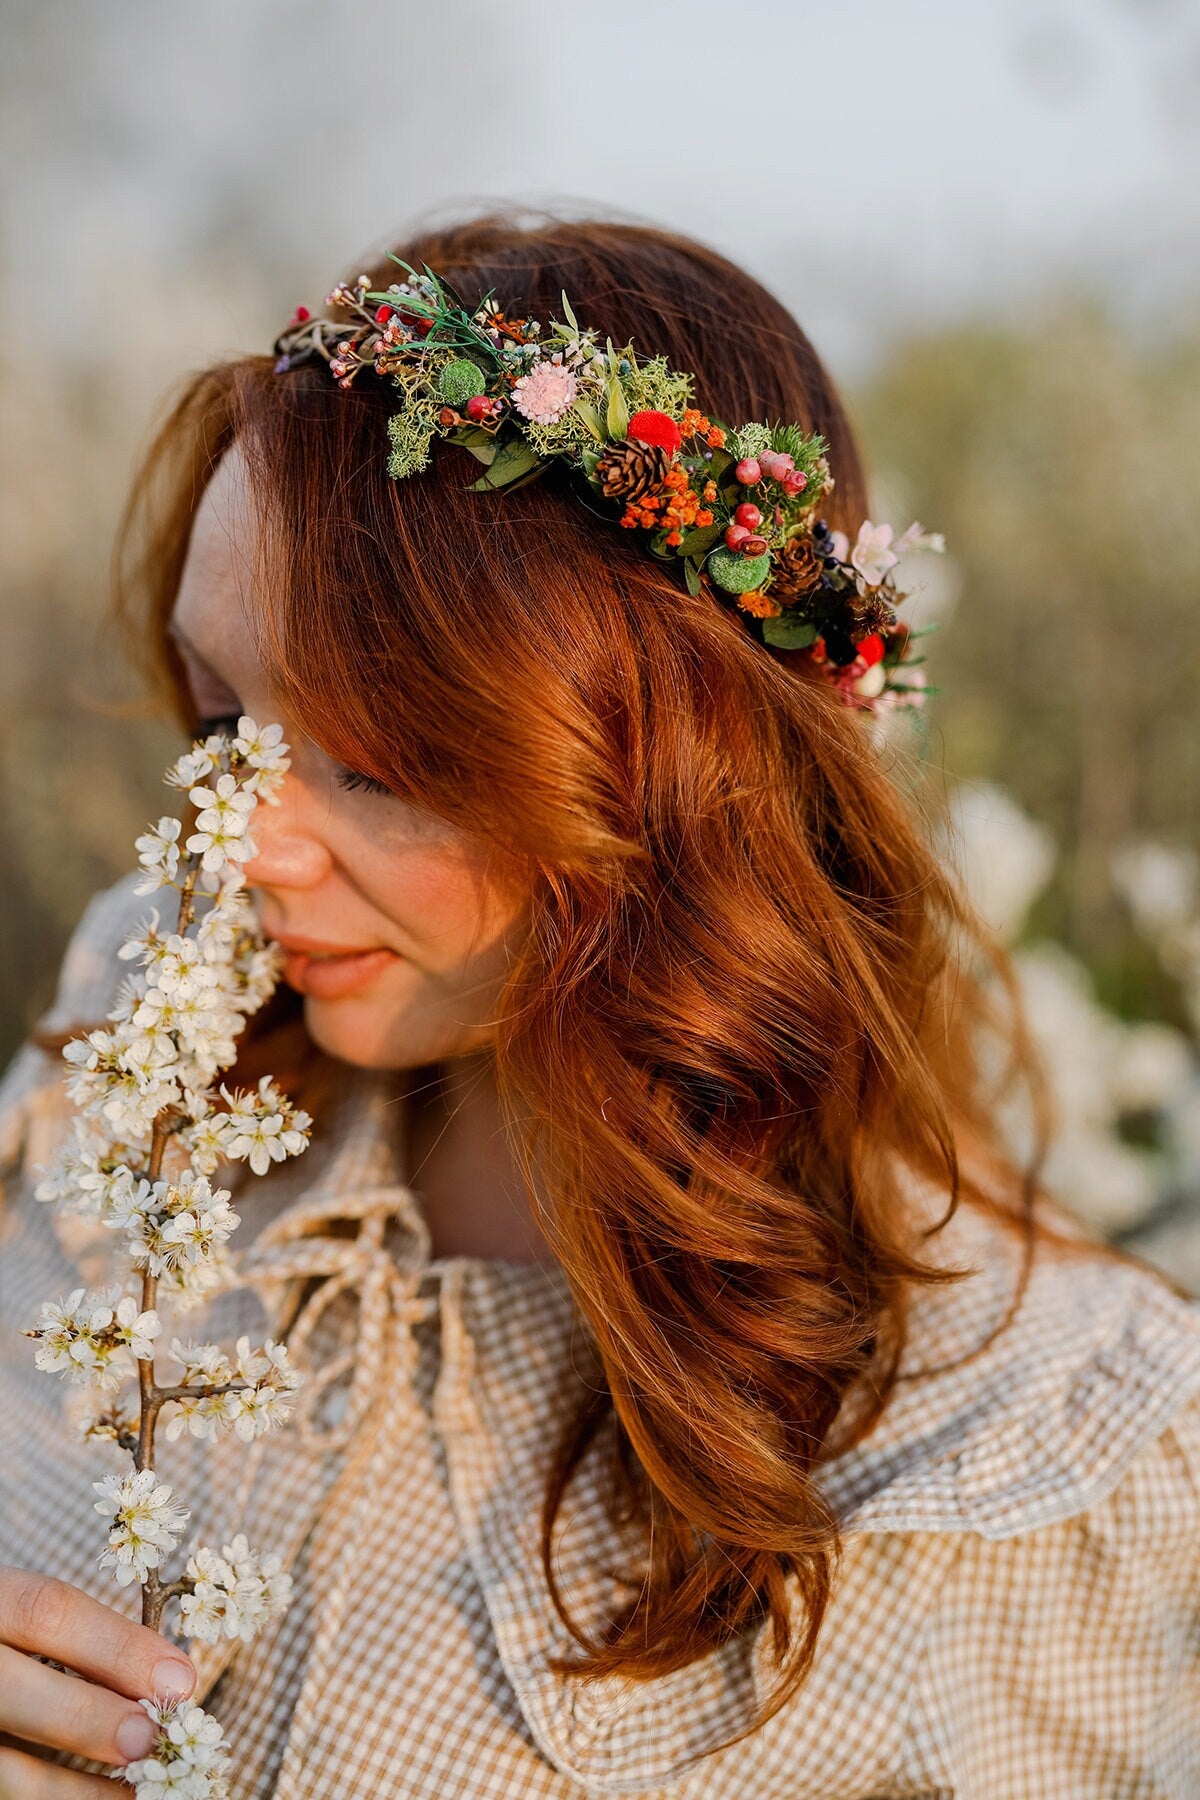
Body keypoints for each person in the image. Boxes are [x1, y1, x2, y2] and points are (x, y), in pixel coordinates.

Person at [1, 211, 1198, 1799]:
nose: (241, 843)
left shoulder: (1042, 1454)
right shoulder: (138, 1040)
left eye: (379, 763)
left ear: (683, 779)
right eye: (228, 718)